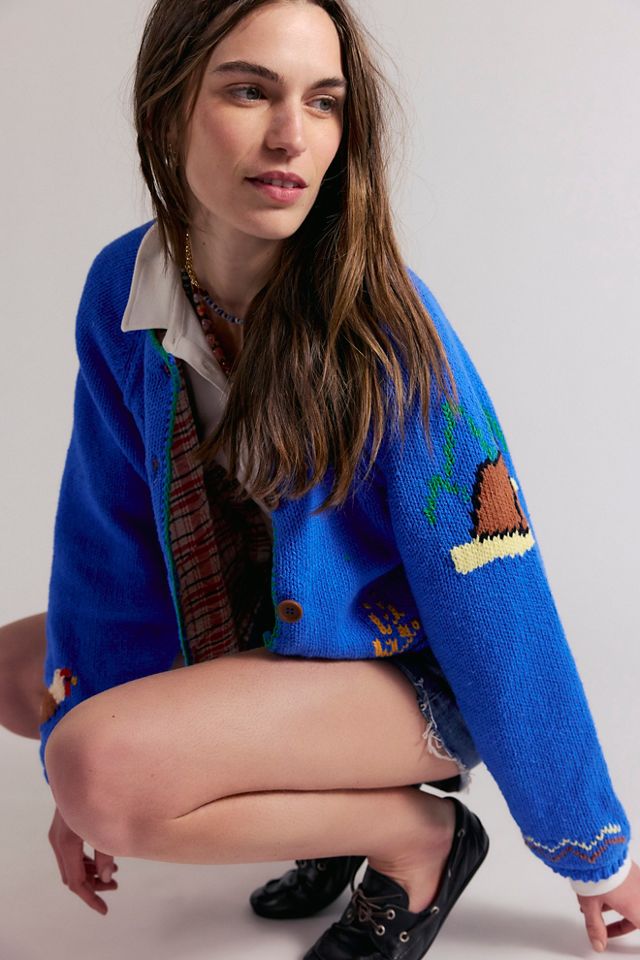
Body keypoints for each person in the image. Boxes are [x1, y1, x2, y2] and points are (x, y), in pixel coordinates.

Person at [1, 0, 638, 956]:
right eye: (249, 91)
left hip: (403, 671)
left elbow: (493, 587)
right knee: (23, 677)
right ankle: (313, 811)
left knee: (99, 762)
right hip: (260, 636)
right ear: (168, 109)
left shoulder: (386, 329)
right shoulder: (121, 289)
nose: (291, 136)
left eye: (324, 101)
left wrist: (592, 846)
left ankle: (413, 838)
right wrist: (79, 745)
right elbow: (109, 538)